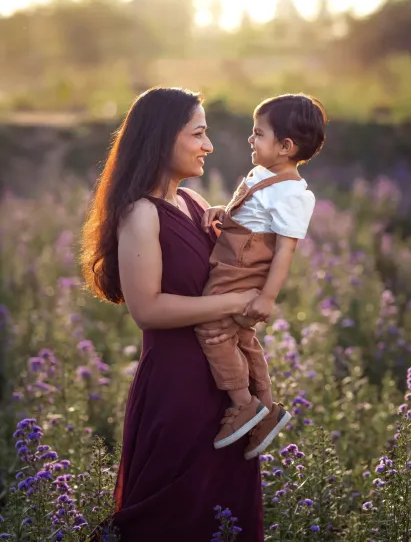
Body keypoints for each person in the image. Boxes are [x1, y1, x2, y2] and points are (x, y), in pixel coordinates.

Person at [81, 87, 264, 541]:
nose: (209, 145)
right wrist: (232, 304)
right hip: (178, 388)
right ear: (163, 138)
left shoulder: (195, 203)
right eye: (198, 134)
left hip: (223, 384)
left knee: (226, 511)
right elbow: (147, 309)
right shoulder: (141, 213)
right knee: (172, 517)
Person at [198, 93, 327, 460]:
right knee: (241, 336)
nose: (251, 140)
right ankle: (268, 409)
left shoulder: (293, 193)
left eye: (259, 134)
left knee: (212, 330)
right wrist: (225, 212)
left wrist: (267, 297)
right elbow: (254, 218)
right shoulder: (264, 175)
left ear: (285, 147)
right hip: (231, 263)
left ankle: (243, 403)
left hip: (240, 272)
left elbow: (284, 249)